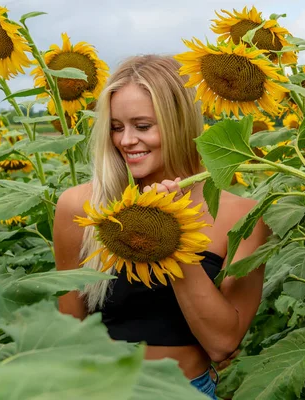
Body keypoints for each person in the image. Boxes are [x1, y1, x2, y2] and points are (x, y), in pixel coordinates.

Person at [53, 55, 269, 399]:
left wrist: (171, 232)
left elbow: (223, 344)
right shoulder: (80, 206)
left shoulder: (242, 215)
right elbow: (71, 331)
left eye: (142, 126)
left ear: (179, 123)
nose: (125, 141)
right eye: (116, 127)